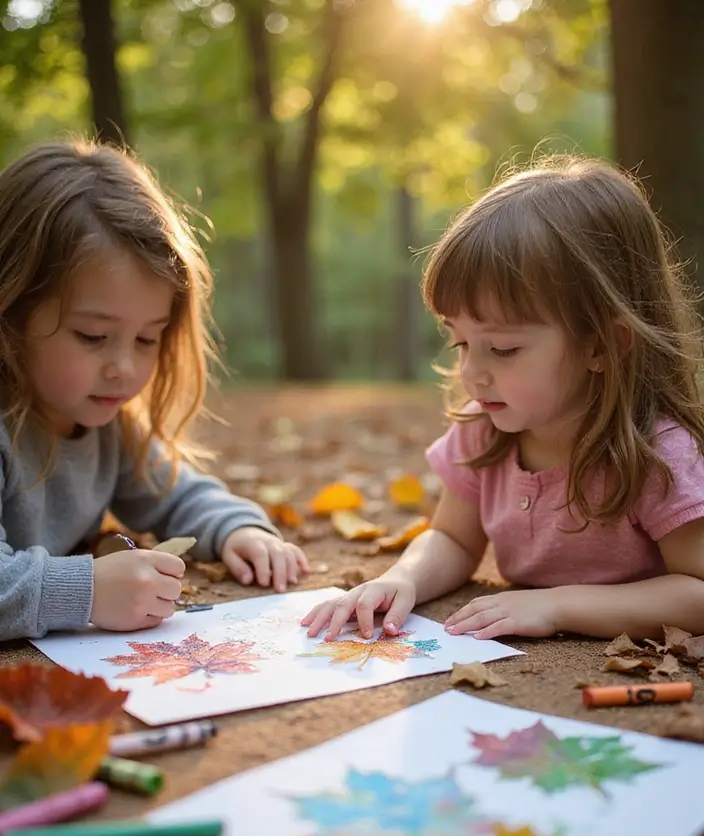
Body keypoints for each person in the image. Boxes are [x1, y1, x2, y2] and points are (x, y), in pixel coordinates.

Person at [303, 156, 704, 643]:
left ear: (602, 345)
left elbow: (697, 592)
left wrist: (557, 606)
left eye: (503, 349)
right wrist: (400, 579)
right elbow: (452, 538)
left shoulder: (659, 453)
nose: (471, 373)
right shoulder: (483, 428)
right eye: (460, 343)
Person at [0, 140, 308, 641]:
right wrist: (88, 591)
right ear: (10, 312)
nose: (124, 367)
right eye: (93, 337)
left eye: (147, 338)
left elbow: (177, 494)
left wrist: (237, 528)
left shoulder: (109, 426)